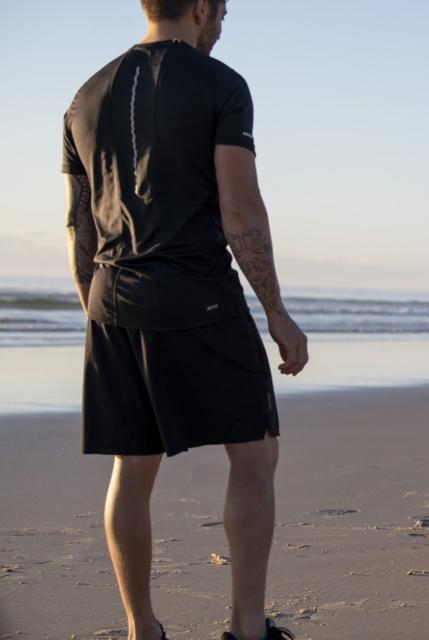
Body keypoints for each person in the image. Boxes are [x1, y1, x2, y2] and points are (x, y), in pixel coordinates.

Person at [62, 1, 306, 637]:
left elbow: (80, 228)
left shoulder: (84, 97)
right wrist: (277, 312)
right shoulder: (221, 84)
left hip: (112, 300)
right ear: (200, 7)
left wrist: (100, 310)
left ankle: (145, 631)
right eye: (223, 10)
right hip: (199, 293)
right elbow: (241, 211)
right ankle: (247, 629)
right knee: (254, 455)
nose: (222, 24)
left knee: (132, 469)